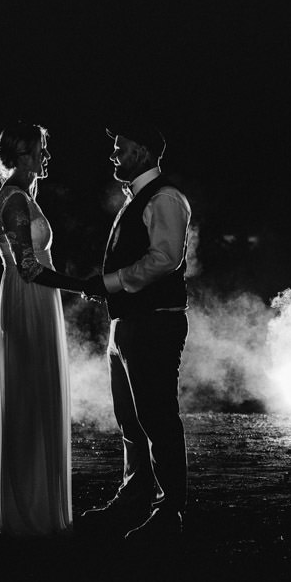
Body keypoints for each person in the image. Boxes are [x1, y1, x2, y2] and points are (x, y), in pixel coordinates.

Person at [79, 120, 192, 541]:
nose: (114, 154)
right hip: (128, 322)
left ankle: (169, 513)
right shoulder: (141, 199)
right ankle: (135, 497)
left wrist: (107, 283)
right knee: (130, 418)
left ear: (143, 152)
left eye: (120, 147)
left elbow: (164, 259)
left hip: (154, 320)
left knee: (155, 417)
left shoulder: (165, 197)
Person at [0, 121, 86, 536]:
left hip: (37, 301)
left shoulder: (23, 196)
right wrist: (84, 286)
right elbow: (29, 268)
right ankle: (29, 508)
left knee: (35, 396)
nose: (47, 157)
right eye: (41, 150)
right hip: (28, 301)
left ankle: (38, 503)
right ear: (24, 154)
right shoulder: (12, 199)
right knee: (29, 398)